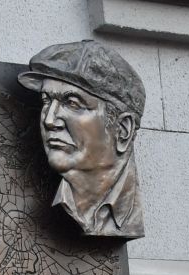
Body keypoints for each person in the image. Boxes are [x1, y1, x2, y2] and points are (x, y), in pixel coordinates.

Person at [19, 40, 146, 239]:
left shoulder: (128, 216)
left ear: (123, 130)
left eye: (72, 103)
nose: (50, 120)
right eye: (46, 100)